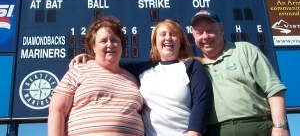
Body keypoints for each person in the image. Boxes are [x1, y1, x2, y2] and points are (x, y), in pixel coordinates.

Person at [70, 19, 213, 136]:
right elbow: (110, 61)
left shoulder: (193, 66)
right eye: (162, 34)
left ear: (181, 41)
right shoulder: (141, 70)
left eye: (173, 34)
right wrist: (90, 58)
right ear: (155, 42)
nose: (168, 38)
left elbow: (201, 104)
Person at [191, 8, 289, 136]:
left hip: (257, 126)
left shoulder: (245, 50)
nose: (205, 37)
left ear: (221, 30)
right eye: (199, 33)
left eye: (210, 31)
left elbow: (274, 89)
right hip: (215, 131)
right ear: (194, 36)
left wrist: (280, 126)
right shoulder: (196, 66)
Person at [48, 16, 144, 136]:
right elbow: (57, 110)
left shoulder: (134, 78)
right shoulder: (79, 69)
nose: (110, 44)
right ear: (93, 46)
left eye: (114, 40)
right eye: (103, 41)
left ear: (121, 45)